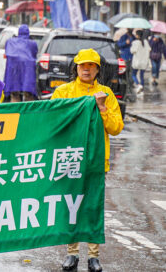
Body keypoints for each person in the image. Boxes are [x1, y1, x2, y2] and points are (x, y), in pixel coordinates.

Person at [51, 48, 123, 272]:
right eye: (83, 65)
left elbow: (116, 127)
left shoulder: (106, 94)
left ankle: (93, 256)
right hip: (69, 159)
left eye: (91, 66)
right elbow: (52, 122)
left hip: (96, 160)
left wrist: (101, 107)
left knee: (92, 207)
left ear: (97, 69)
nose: (86, 69)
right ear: (76, 68)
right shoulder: (63, 91)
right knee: (71, 206)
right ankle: (71, 253)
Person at [3, 24, 38, 102]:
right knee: (28, 94)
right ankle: (28, 112)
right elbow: (34, 54)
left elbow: (7, 52)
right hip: (28, 71)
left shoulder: (10, 41)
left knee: (14, 93)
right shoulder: (32, 43)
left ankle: (15, 111)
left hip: (13, 71)